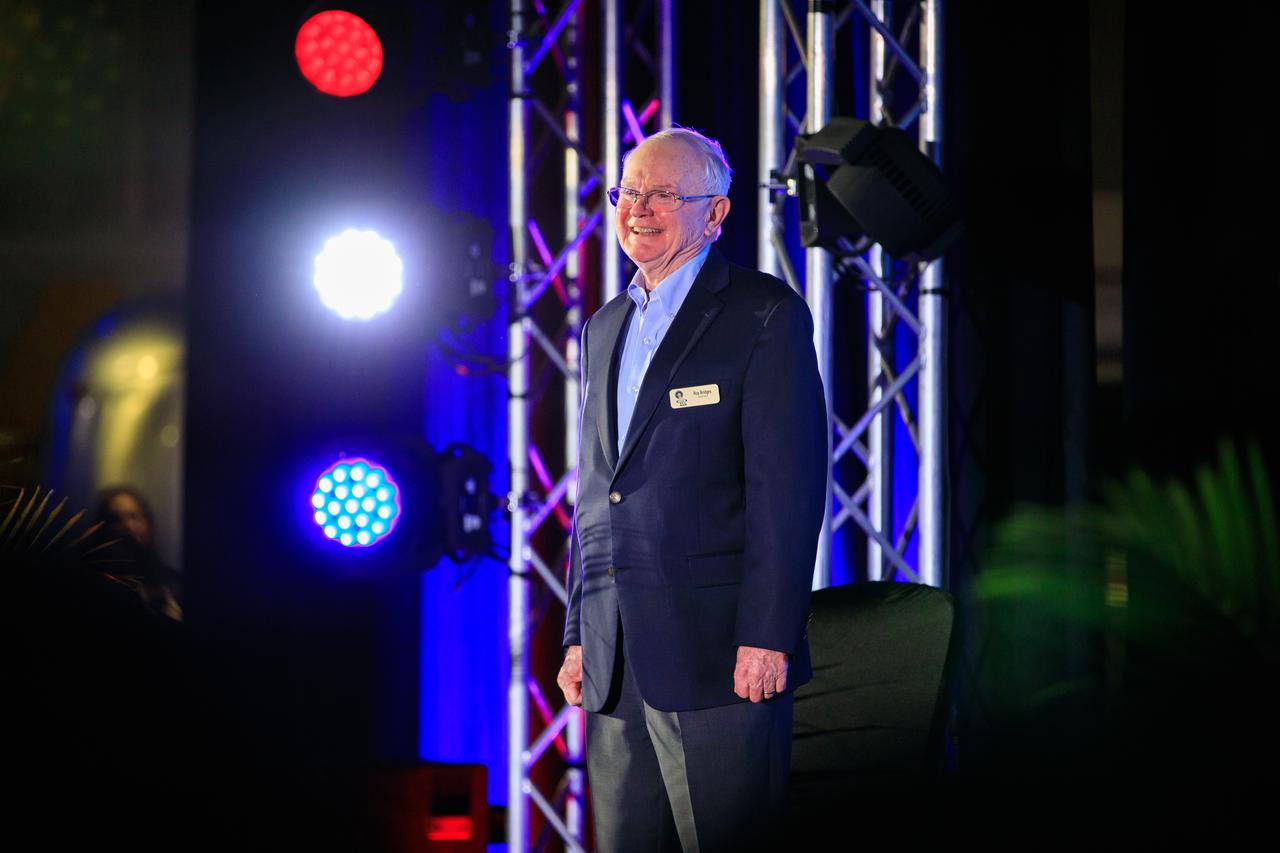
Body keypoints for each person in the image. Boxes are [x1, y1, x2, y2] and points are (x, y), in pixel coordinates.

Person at [557, 128, 828, 852]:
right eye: (628, 192)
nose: (638, 208)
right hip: (617, 659)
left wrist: (767, 633)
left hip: (719, 656)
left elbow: (788, 489)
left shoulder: (762, 314)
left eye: (664, 194)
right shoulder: (604, 327)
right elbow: (596, 494)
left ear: (715, 214)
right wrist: (580, 633)